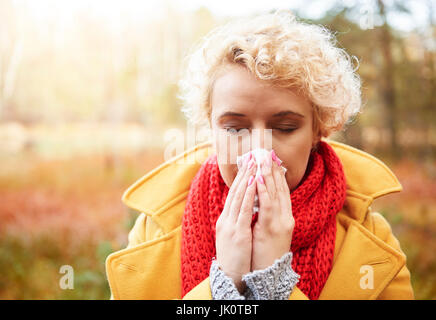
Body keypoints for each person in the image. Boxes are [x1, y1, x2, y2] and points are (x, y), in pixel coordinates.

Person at [105, 9, 414, 300]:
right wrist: (225, 283)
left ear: (318, 132)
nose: (259, 150)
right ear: (210, 127)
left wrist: (275, 285)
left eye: (285, 127)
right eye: (235, 128)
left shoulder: (369, 236)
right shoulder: (156, 228)